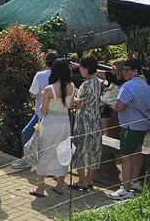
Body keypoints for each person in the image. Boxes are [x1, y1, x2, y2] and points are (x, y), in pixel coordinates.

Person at [111, 57, 150, 200]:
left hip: (130, 126)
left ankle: (125, 188)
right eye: (123, 69)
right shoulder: (146, 86)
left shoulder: (127, 87)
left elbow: (119, 106)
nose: (124, 72)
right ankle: (135, 181)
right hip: (143, 125)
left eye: (127, 70)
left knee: (126, 157)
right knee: (137, 153)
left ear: (135, 71)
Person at [30, 59, 75, 198]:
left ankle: (40, 188)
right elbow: (70, 105)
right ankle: (60, 185)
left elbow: (43, 110)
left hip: (49, 122)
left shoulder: (49, 89)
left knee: (44, 151)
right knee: (63, 151)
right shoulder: (72, 86)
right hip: (64, 122)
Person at [9, 50, 58, 173]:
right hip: (58, 114)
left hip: (41, 113)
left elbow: (32, 94)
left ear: (45, 62)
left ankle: (26, 160)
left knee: (27, 133)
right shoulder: (62, 76)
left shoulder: (40, 75)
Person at [71, 55, 102, 190]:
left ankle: (82, 180)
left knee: (80, 149)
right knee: (93, 149)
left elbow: (80, 104)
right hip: (95, 118)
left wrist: (72, 97)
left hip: (84, 120)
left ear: (86, 68)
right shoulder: (97, 81)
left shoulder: (86, 84)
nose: (80, 70)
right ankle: (89, 179)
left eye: (81, 67)